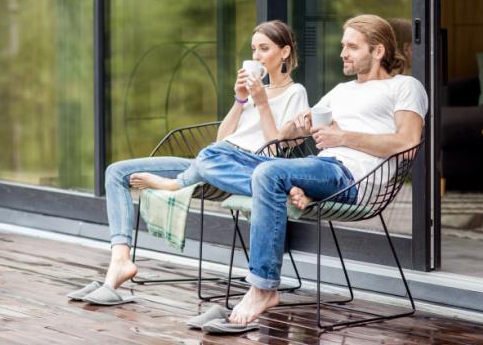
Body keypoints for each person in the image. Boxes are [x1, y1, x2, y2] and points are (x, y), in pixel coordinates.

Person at [183, 14, 427, 328]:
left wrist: (343, 137)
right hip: (318, 168)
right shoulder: (340, 91)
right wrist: (292, 123)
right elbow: (283, 139)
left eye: (352, 47)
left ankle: (263, 288)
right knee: (211, 157)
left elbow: (408, 141)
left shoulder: (405, 86)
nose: (343, 53)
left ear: (377, 51)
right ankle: (286, 188)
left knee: (268, 175)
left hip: (350, 177)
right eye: (343, 46)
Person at [67, 20, 309, 305]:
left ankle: (177, 183)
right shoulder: (253, 92)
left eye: (264, 49)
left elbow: (274, 151)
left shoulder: (296, 93)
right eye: (253, 49)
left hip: (248, 167)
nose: (256, 56)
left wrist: (263, 103)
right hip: (215, 160)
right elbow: (222, 139)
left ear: (284, 53)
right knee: (116, 172)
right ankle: (120, 260)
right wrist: (241, 100)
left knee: (210, 158)